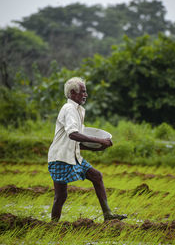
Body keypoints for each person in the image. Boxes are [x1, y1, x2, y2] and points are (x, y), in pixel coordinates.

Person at [48, 77, 127, 222]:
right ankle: (52, 225)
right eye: (83, 92)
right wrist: (100, 140)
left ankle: (108, 214)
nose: (86, 95)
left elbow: (77, 140)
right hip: (60, 157)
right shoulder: (69, 109)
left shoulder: (78, 110)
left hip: (72, 155)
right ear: (73, 92)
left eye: (85, 92)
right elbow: (73, 135)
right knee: (61, 196)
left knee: (96, 176)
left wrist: (96, 148)